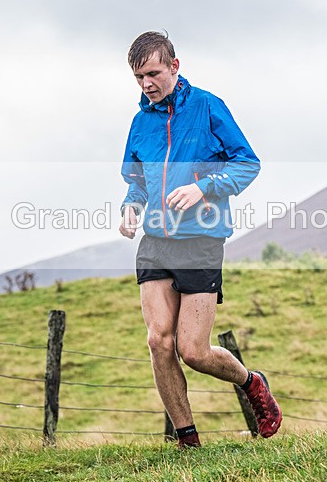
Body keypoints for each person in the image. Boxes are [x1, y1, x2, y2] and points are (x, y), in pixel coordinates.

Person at [118, 31, 281, 448]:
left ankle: (251, 381)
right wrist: (131, 207)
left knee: (194, 350)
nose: (146, 84)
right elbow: (136, 181)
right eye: (138, 77)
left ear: (174, 66)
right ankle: (187, 440)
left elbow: (247, 164)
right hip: (155, 241)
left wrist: (203, 187)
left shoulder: (208, 106)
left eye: (153, 74)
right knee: (158, 341)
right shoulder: (140, 123)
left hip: (201, 239)